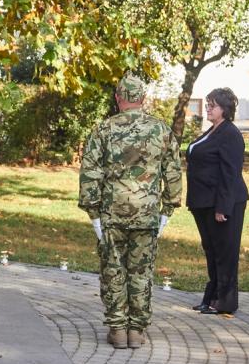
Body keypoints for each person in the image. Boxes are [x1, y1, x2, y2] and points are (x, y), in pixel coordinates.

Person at [78, 74, 182, 349]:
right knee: (141, 271)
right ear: (143, 99)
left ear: (118, 98)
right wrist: (168, 209)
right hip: (146, 214)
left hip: (112, 214)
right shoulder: (161, 130)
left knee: (113, 270)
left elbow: (90, 172)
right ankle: (136, 329)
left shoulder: (104, 129)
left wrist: (93, 213)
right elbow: (172, 172)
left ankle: (117, 329)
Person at [186, 88, 249, 315]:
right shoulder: (212, 131)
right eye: (208, 104)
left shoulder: (230, 134)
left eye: (212, 105)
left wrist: (223, 207)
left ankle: (225, 301)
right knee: (212, 251)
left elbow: (230, 174)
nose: (208, 108)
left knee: (225, 252)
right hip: (203, 202)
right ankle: (212, 297)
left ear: (225, 109)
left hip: (222, 203)